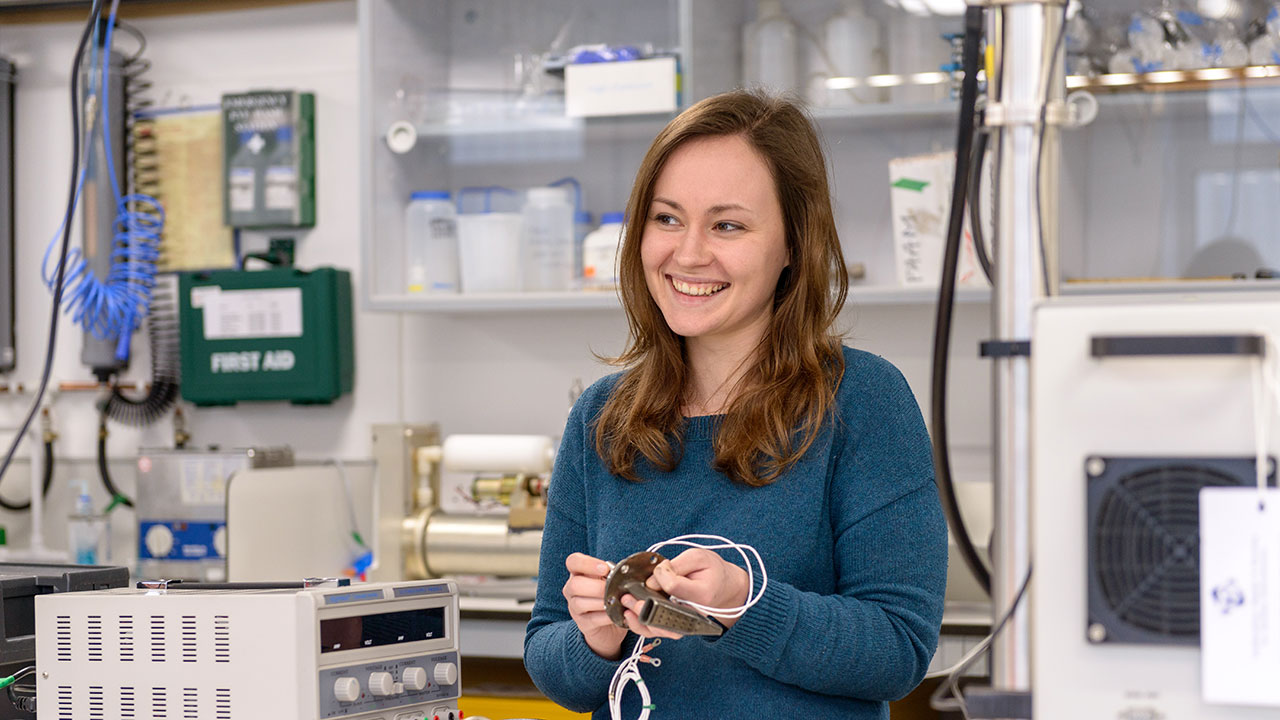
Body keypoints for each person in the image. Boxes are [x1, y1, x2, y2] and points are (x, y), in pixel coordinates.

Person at [523, 89, 947, 718]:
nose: (688, 253)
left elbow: (897, 649)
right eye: (667, 218)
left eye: (728, 225)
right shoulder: (602, 416)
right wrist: (599, 638)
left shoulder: (862, 401)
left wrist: (746, 605)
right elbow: (548, 654)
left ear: (794, 247)